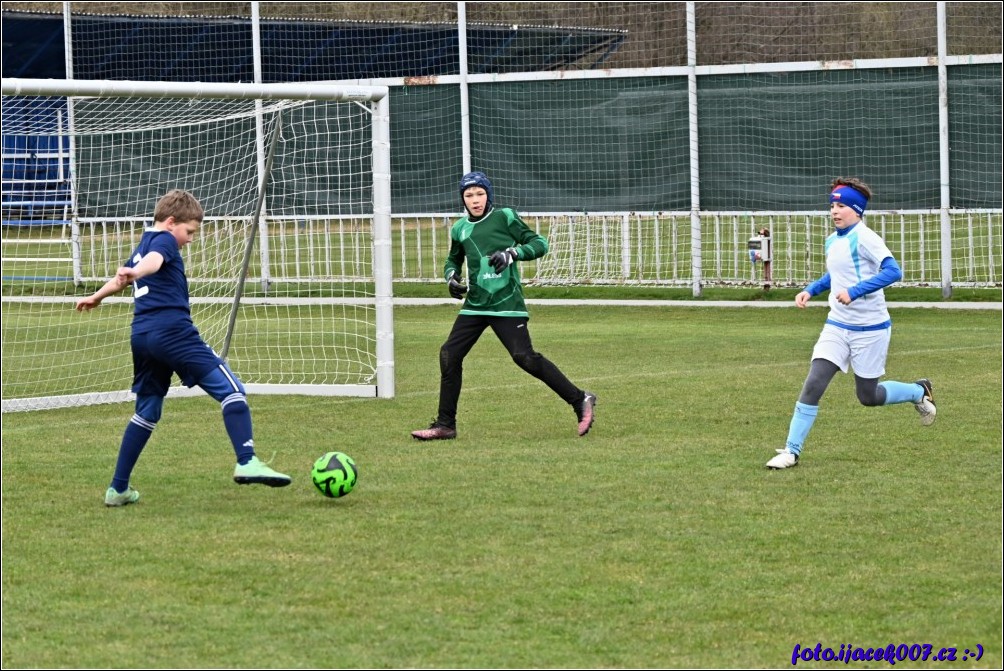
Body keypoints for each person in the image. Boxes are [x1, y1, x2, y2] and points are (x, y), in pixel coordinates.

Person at [76, 189, 291, 505]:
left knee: (147, 410)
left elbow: (123, 278)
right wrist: (136, 272)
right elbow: (153, 262)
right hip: (173, 332)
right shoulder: (162, 241)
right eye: (189, 232)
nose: (190, 239)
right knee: (233, 391)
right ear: (171, 222)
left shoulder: (143, 243)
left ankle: (118, 489)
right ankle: (247, 461)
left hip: (142, 335)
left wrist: (97, 296)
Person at [411, 171, 596, 441]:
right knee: (449, 355)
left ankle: (580, 399)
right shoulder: (460, 228)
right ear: (463, 199)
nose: (475, 200)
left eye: (480, 193)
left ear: (489, 195)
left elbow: (539, 244)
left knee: (525, 358)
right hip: (475, 305)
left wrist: (512, 253)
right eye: (469, 195)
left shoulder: (505, 216)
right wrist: (451, 277)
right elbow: (453, 260)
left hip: (506, 303)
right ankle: (445, 425)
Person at [766, 177, 936, 470]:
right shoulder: (833, 239)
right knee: (813, 384)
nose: (834, 210)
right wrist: (811, 289)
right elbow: (836, 275)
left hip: (870, 330)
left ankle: (917, 391)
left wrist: (855, 292)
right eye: (832, 204)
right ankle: (791, 452)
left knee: (868, 397)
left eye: (841, 205)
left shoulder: (866, 238)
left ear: (857, 210)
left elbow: (894, 271)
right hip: (837, 326)